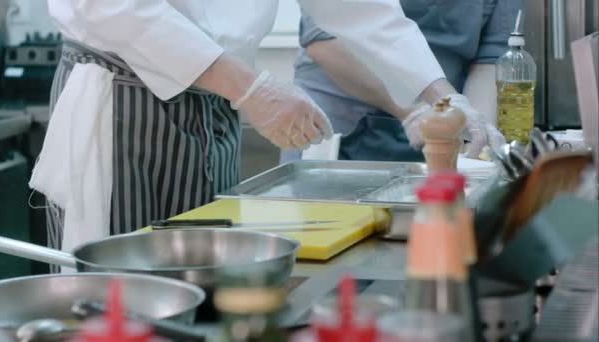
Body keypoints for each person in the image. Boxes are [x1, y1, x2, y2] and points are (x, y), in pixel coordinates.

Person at [36, 0, 478, 259]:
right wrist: (249, 89)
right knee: (119, 298)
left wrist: (439, 93)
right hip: (123, 103)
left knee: (211, 285)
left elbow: (361, 11)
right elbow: (111, 7)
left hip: (219, 106)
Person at [281, 0, 519, 163]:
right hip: (336, 140)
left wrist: (475, 135)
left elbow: (490, 57)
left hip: (440, 130)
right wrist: (412, 110)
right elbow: (325, 44)